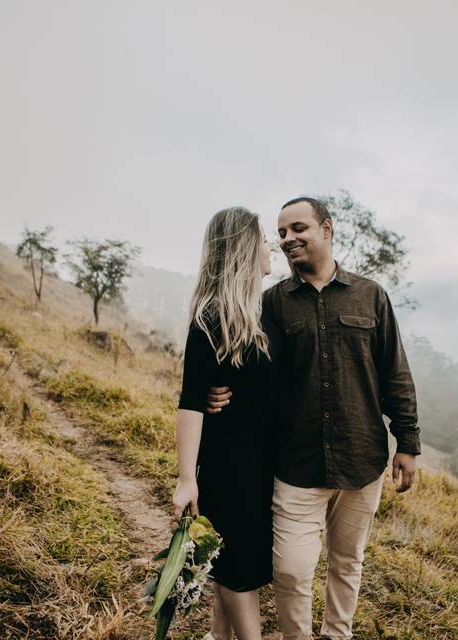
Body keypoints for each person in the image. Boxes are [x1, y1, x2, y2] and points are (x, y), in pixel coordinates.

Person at [207, 196, 420, 640]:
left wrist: (408, 442)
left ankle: (337, 634)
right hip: (295, 464)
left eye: (297, 229)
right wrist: (210, 390)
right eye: (281, 233)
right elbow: (240, 364)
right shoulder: (271, 304)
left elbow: (394, 372)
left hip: (362, 460)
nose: (287, 239)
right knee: (290, 571)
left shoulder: (371, 296)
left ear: (327, 229)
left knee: (347, 562)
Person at [173, 206, 279, 640]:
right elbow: (191, 401)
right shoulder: (210, 319)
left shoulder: (265, 312)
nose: (271, 245)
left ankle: (218, 637)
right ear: (244, 248)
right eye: (264, 238)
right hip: (228, 467)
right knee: (239, 571)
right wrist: (185, 479)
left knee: (231, 560)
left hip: (263, 463)